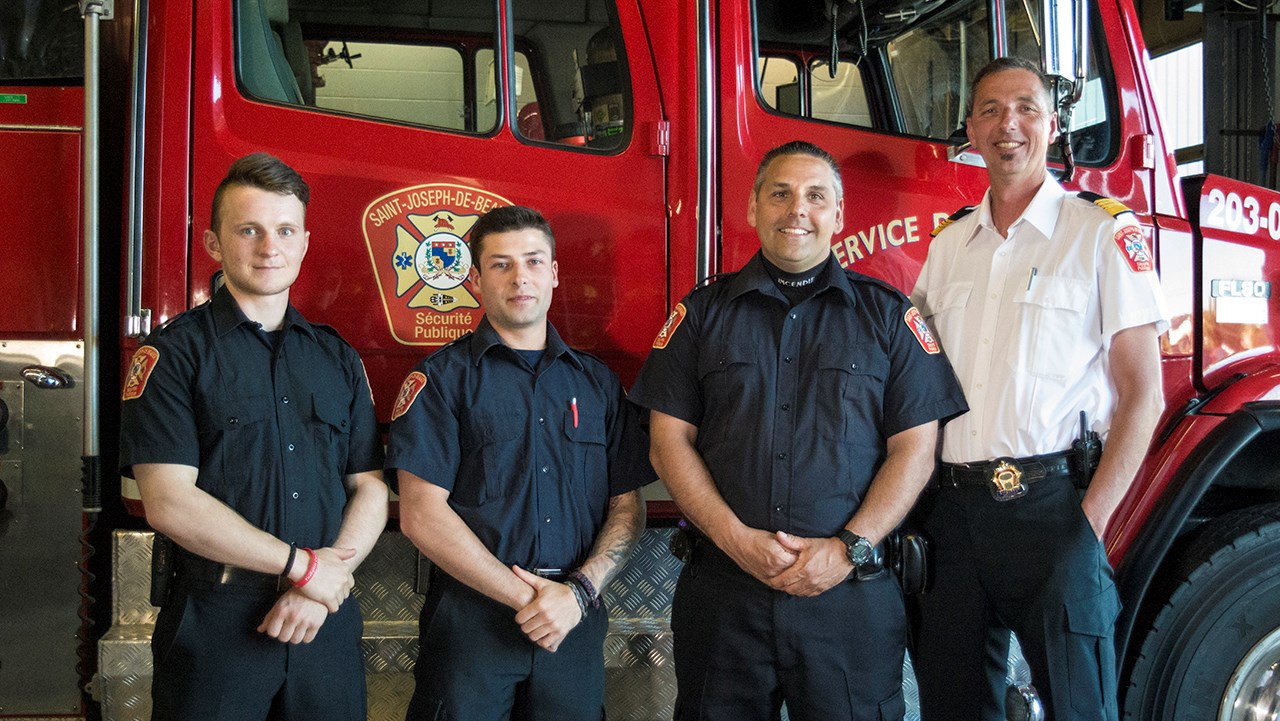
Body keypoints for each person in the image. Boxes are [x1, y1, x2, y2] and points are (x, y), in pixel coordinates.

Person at [629, 140, 968, 721]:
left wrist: (849, 548)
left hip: (849, 596)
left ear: (839, 214)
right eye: (780, 194)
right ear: (752, 207)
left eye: (816, 196)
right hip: (726, 595)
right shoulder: (702, 313)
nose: (797, 210)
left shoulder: (888, 316)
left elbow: (916, 449)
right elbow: (668, 443)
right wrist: (737, 541)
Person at [909, 56, 1168, 721]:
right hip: (954, 515)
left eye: (1026, 108)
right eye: (991, 110)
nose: (1009, 124)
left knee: (1079, 709)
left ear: (1053, 126)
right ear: (971, 130)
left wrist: (1089, 525)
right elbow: (917, 384)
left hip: (1053, 510)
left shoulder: (1102, 232)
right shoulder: (948, 245)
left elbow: (1145, 394)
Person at [119, 152, 389, 720]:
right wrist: (304, 569)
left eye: (285, 231)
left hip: (324, 618)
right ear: (213, 244)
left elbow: (368, 487)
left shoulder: (337, 357)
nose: (270, 247)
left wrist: (324, 581)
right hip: (218, 617)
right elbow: (168, 502)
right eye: (249, 230)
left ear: (305, 243)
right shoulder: (172, 355)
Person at [387, 205, 653, 721]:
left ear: (553, 273)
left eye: (533, 261)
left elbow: (626, 506)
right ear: (474, 279)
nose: (519, 277)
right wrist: (528, 599)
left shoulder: (597, 384)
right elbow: (421, 514)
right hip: (472, 619)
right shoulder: (440, 380)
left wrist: (578, 594)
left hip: (573, 619)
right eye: (501, 264)